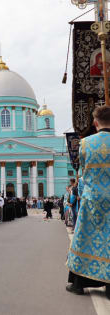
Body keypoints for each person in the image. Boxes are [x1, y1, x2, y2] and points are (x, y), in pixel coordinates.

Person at [66, 106, 110, 298]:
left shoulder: (85, 144)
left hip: (93, 200)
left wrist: (83, 196)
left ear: (95, 122)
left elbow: (83, 176)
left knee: (85, 240)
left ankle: (78, 284)